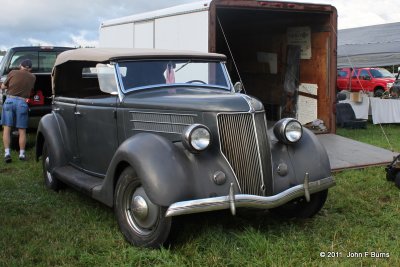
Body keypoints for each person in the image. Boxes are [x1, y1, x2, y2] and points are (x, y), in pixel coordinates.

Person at [1, 59, 36, 163]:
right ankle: (22, 154)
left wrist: (3, 84)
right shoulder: (33, 77)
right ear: (30, 68)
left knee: (7, 128)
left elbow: (3, 87)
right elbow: (30, 91)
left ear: (20, 65)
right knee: (22, 130)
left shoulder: (13, 72)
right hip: (22, 103)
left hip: (9, 101)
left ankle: (7, 153)